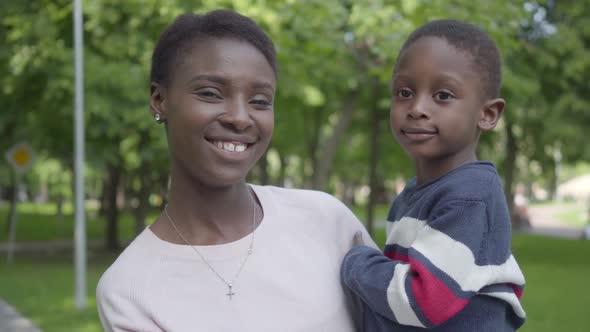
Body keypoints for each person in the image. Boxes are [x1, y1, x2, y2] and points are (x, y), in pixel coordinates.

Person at [96, 9, 374, 332]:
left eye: (259, 100)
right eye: (211, 94)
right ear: (159, 99)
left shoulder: (326, 221)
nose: (240, 118)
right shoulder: (129, 291)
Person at [341, 19, 526, 331]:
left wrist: (356, 263)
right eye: (404, 92)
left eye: (442, 95)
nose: (417, 108)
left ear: (487, 114)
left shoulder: (469, 196)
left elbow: (424, 301)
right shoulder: (416, 194)